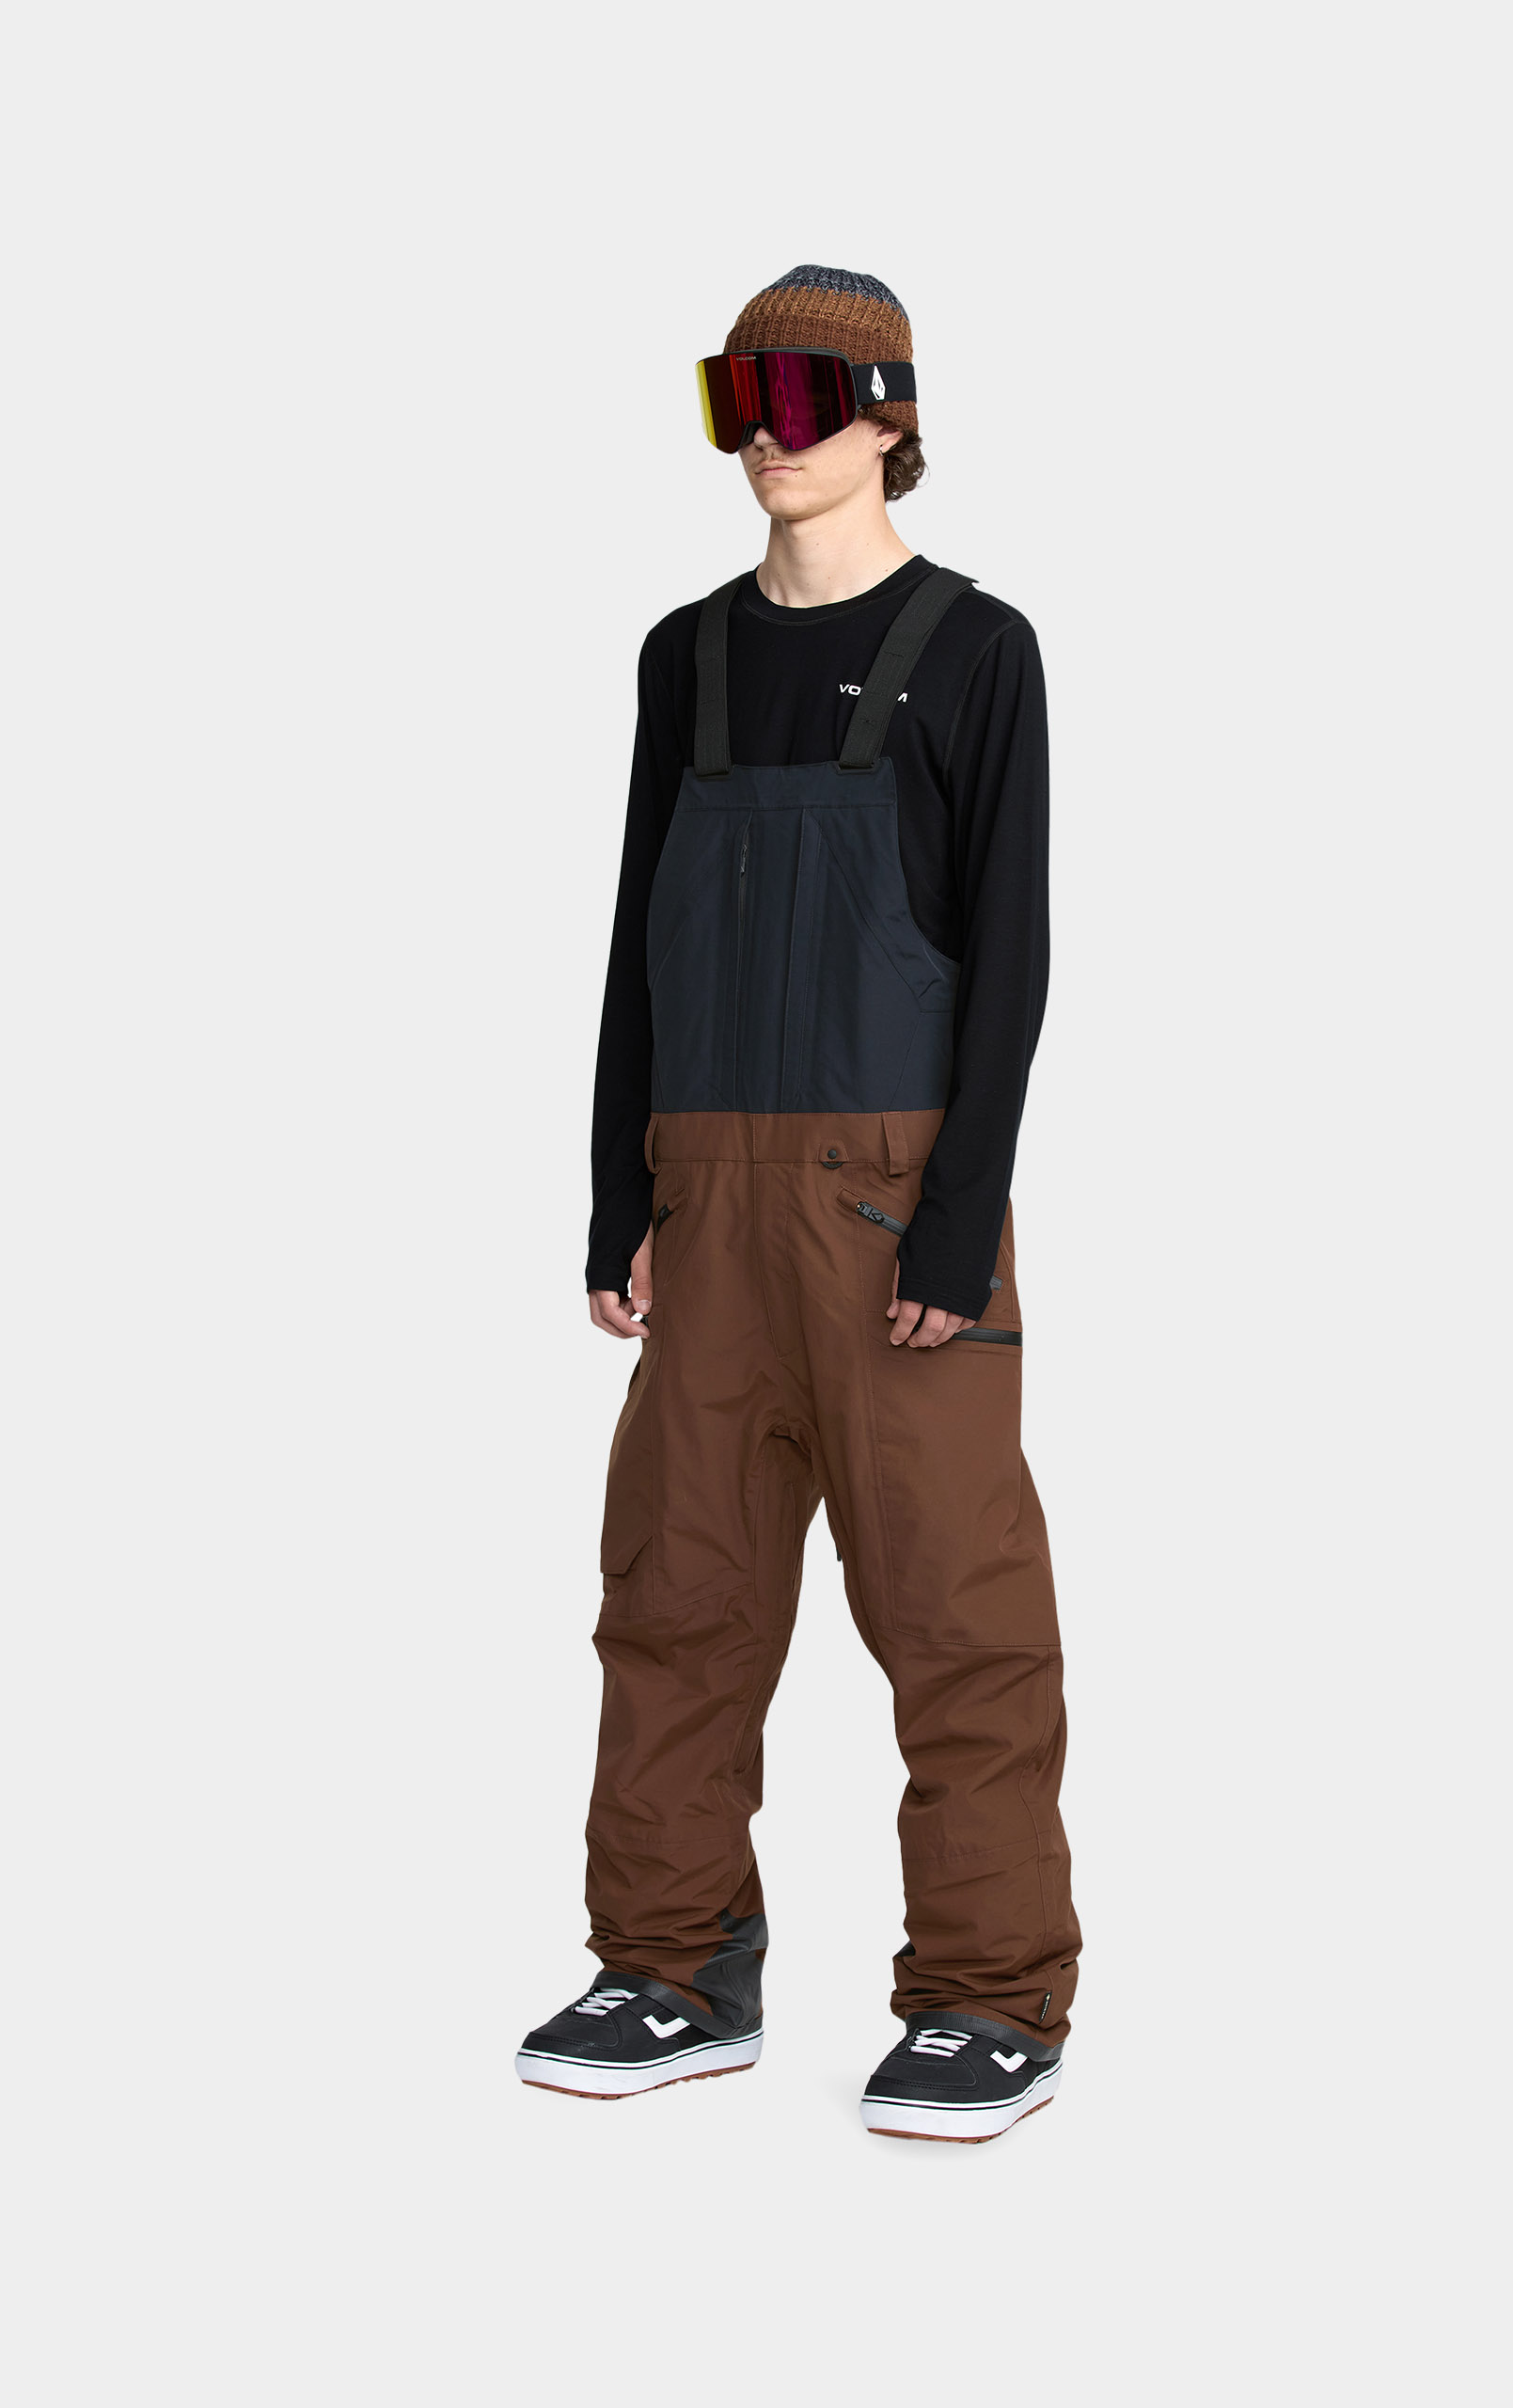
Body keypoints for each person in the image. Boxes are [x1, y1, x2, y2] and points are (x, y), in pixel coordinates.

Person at [514, 265, 1080, 2144]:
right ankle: (671, 1964)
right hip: (705, 1199)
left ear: (890, 414)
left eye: (804, 395)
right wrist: (619, 1190)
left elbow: (1011, 959)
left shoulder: (977, 648)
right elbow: (632, 937)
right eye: (734, 395)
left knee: (956, 1608)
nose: (768, 433)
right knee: (675, 1597)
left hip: (892, 1203)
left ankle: (990, 1993)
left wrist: (959, 1221)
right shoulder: (683, 654)